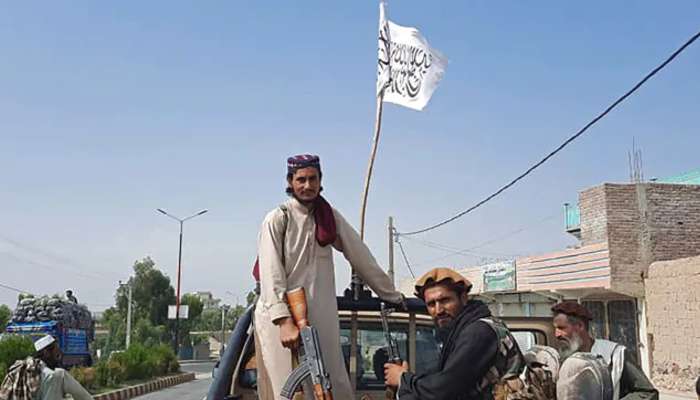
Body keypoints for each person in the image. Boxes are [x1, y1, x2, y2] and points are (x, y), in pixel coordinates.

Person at [254, 154, 405, 399]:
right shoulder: (278, 218)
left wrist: (390, 294)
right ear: (290, 181)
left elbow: (360, 255)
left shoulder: (328, 217)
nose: (307, 185)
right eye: (301, 179)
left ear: (320, 180)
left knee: (330, 381)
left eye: (313, 179)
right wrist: (283, 321)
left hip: (319, 316)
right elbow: (271, 274)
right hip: (280, 319)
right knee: (287, 390)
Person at [384, 268, 523, 400]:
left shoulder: (479, 332)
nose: (438, 310)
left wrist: (402, 379)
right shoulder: (460, 331)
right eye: (431, 304)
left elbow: (444, 389)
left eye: (445, 300)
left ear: (463, 298)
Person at [552, 302, 658, 400]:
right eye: (555, 329)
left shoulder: (615, 354)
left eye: (562, 328)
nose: (557, 334)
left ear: (580, 326)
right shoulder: (560, 359)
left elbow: (647, 393)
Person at [0, 335, 93, 400]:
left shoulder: (19, 370)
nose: (58, 357)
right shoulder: (58, 375)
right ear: (46, 353)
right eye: (56, 354)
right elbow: (85, 398)